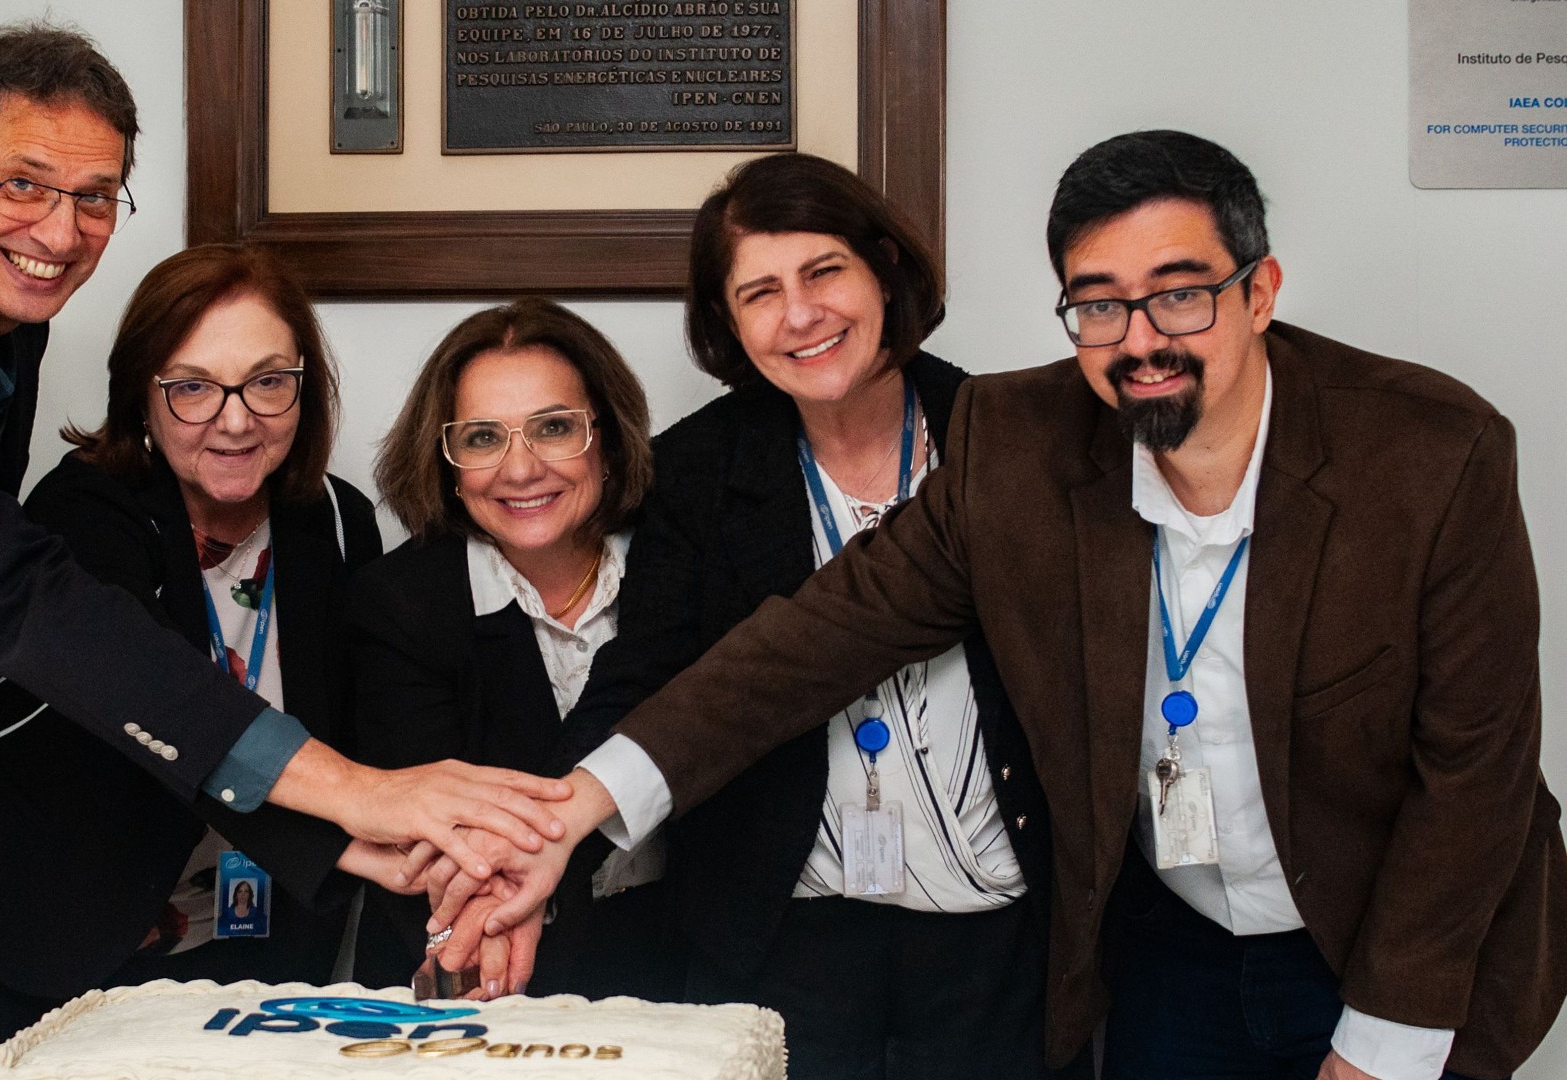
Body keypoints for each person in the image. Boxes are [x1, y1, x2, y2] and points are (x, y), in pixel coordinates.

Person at [427, 131, 1567, 1080]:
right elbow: (811, 640)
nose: (1141, 341)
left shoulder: (1432, 453)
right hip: (1169, 942)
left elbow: (1475, 778)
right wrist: (571, 811)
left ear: (1259, 291)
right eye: (1099, 306)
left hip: (1394, 945)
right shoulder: (1023, 443)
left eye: (1180, 294)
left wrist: (1378, 1047)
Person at [0, 23, 563, 1080]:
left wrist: (365, 843)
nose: (59, 232)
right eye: (25, 182)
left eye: (95, 195)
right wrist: (360, 797)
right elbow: (24, 608)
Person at [529, 153, 1051, 1078]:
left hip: (997, 937)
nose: (800, 316)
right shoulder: (697, 469)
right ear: (728, 322)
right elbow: (652, 678)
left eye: (823, 273)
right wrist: (539, 832)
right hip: (783, 933)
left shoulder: (1003, 437)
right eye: (759, 292)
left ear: (883, 268)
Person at [0, 244, 419, 1078]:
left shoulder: (339, 523)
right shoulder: (84, 512)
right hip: (36, 940)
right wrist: (344, 840)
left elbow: (362, 729)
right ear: (142, 393)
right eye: (193, 387)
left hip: (244, 951)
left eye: (268, 381)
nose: (237, 418)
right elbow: (154, 727)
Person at [347, 298, 677, 1002]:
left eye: (554, 428)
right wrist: (480, 947)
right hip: (473, 965)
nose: (520, 469)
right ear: (447, 460)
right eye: (483, 438)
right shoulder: (395, 604)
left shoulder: (682, 569)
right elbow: (431, 834)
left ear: (609, 439)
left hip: (684, 955)